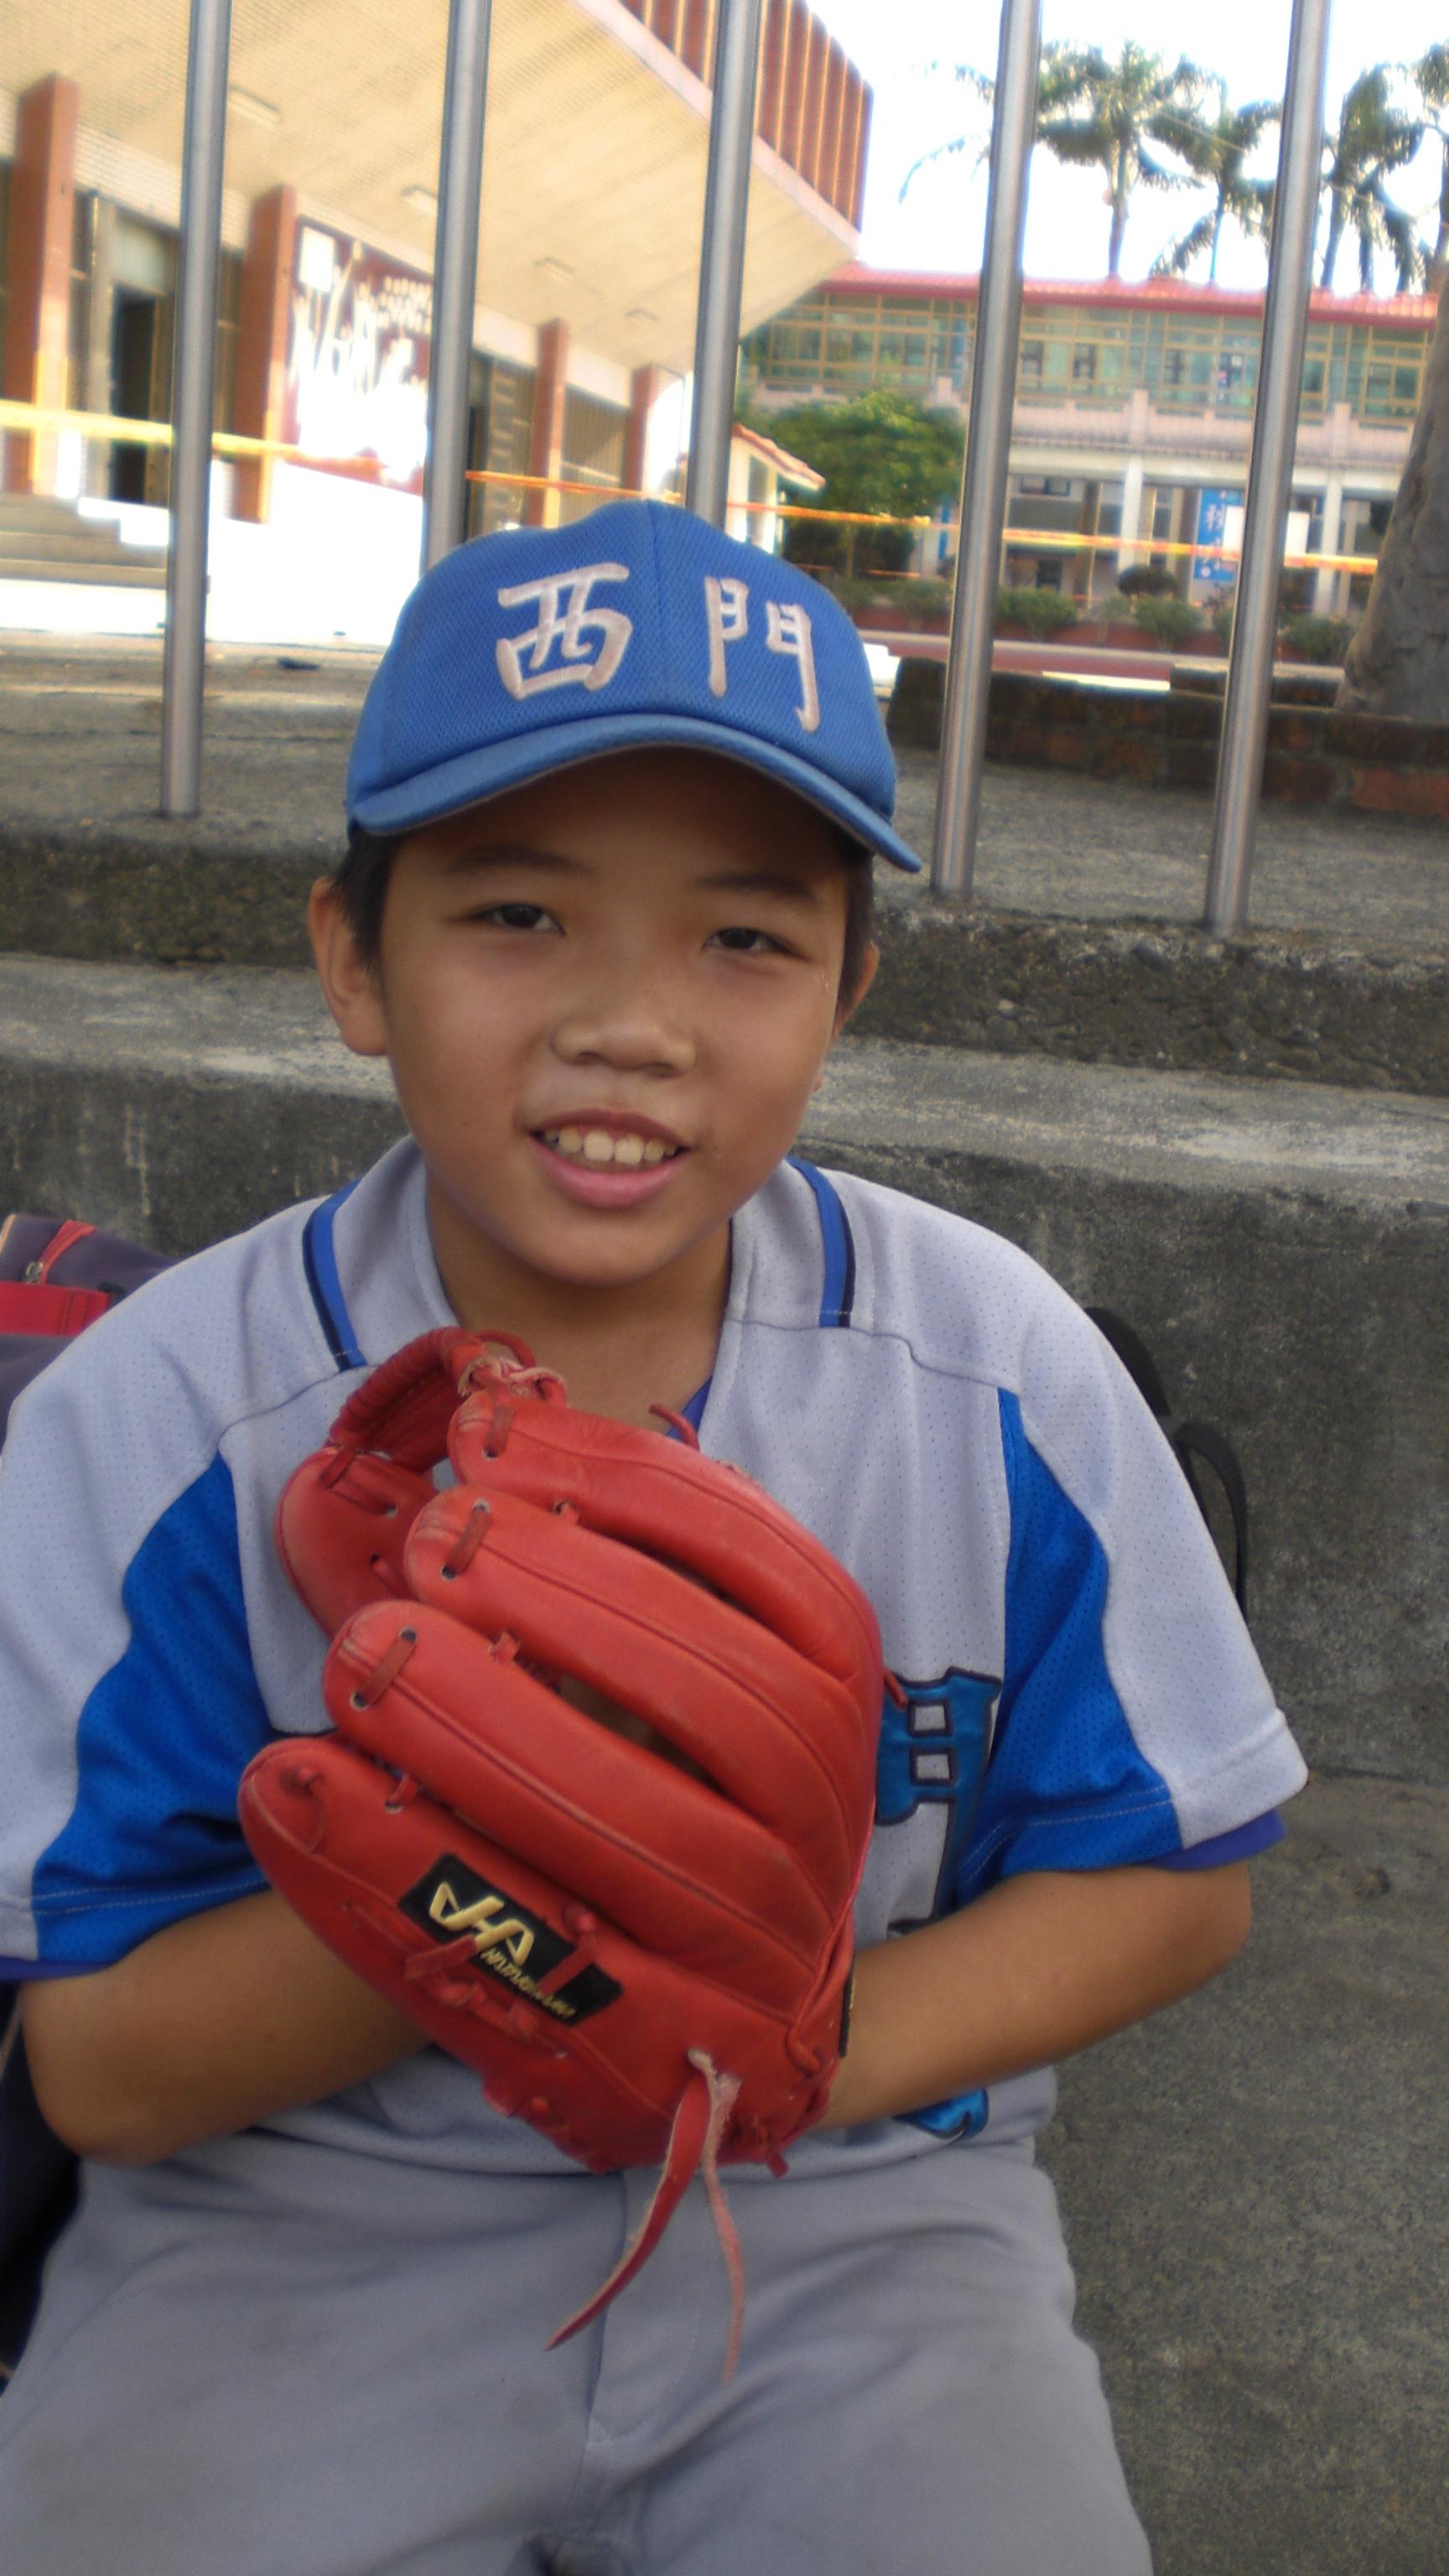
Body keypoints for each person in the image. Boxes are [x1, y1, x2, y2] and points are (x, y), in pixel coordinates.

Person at [0, 500, 1306, 2575]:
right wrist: (505, 1872)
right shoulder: (164, 1414)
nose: (633, 1020)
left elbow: (1178, 1880)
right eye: (519, 912)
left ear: (849, 984)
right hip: (310, 2227)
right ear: (353, 959)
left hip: (855, 2214)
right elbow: (99, 2068)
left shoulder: (988, 1371)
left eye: (745, 937)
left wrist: (782, 2047)